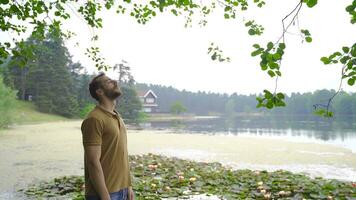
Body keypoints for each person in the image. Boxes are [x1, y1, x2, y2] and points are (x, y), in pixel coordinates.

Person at [81, 73, 134, 200]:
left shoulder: (116, 116)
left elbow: (121, 154)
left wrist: (128, 186)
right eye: (108, 81)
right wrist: (105, 197)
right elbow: (93, 162)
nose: (115, 81)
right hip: (104, 194)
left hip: (123, 191)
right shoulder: (94, 119)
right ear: (99, 91)